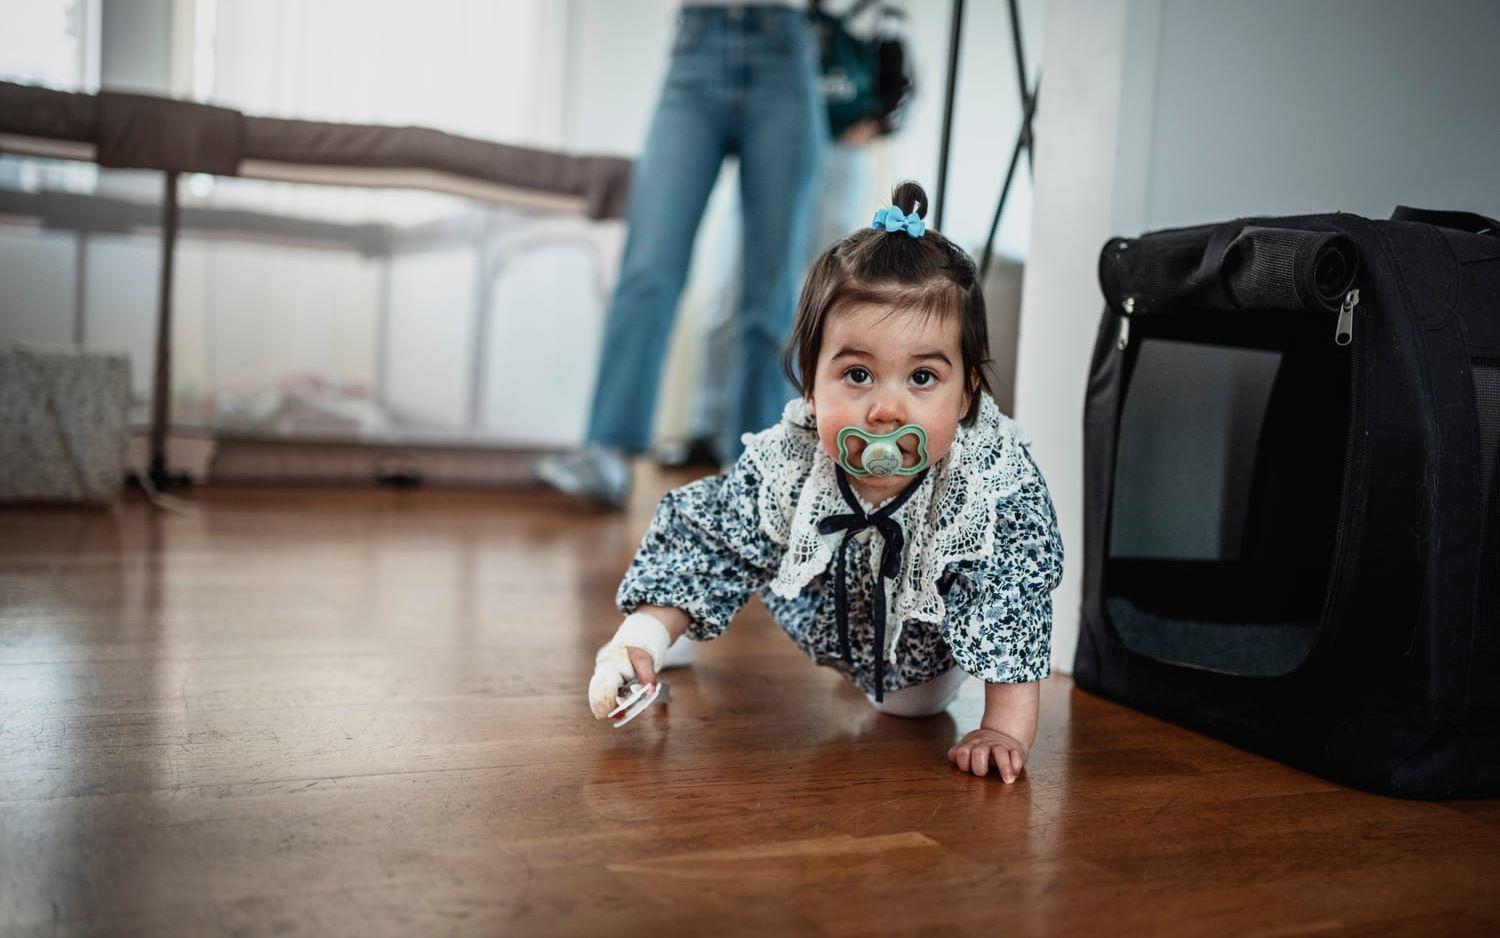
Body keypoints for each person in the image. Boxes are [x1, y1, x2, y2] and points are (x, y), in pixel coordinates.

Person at [587, 182, 1064, 782]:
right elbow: (711, 536)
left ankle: (893, 678)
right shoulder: (796, 457)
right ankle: (666, 632)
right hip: (822, 599)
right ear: (810, 385)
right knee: (735, 533)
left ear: (967, 392)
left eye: (922, 377)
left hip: (925, 642)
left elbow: (1010, 596)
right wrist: (642, 635)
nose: (887, 410)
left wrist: (1002, 727)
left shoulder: (987, 486)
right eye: (858, 374)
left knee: (905, 707)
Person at [536, 2, 827, 508]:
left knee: (771, 291)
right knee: (649, 268)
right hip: (698, 49)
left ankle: (757, 472)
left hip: (786, 49)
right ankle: (607, 450)